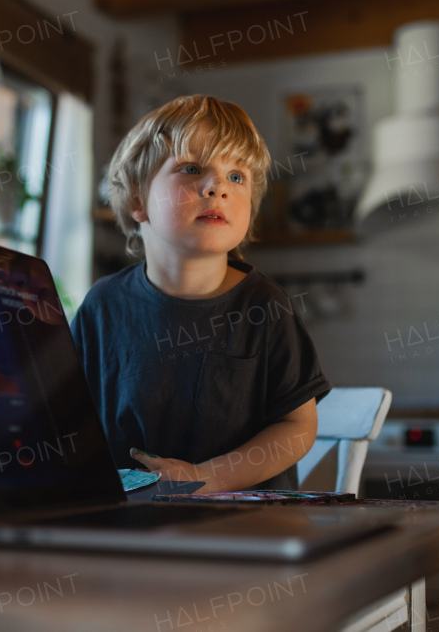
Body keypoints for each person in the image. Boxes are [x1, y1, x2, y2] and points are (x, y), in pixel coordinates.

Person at [70, 95, 329, 491]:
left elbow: (297, 427)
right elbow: (65, 420)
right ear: (138, 200)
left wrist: (205, 478)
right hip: (130, 532)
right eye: (192, 168)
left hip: (246, 533)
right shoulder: (101, 307)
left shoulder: (264, 306)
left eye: (237, 177)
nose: (218, 187)